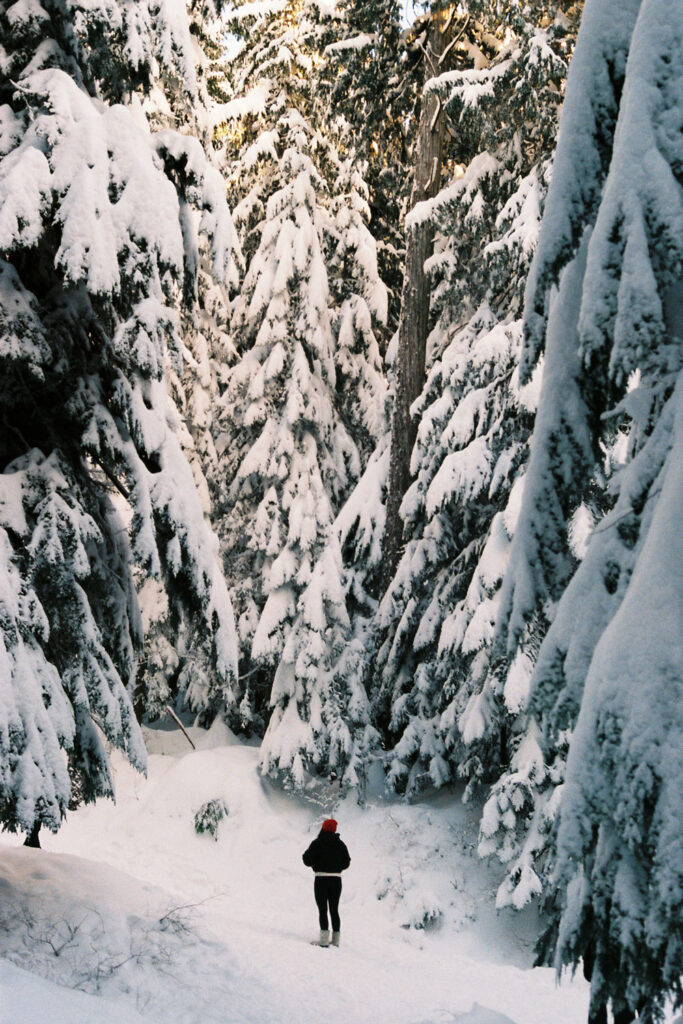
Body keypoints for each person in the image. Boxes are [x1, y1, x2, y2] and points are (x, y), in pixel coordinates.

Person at [302, 818, 350, 947]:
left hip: (321, 879)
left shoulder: (317, 843)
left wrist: (315, 864)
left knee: (323, 910)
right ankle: (335, 940)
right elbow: (346, 863)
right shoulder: (341, 844)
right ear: (335, 830)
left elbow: (306, 860)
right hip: (336, 880)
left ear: (323, 828)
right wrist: (336, 868)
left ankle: (323, 941)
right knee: (334, 910)